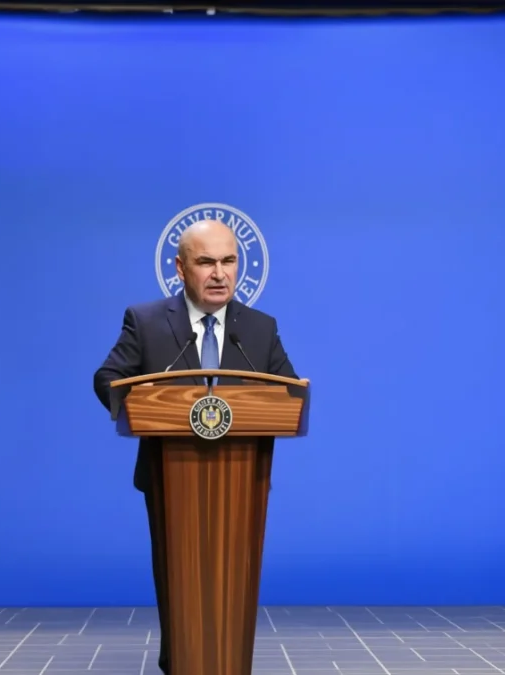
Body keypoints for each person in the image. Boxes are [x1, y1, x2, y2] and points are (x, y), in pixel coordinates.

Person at [92, 219, 298, 674]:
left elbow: (289, 394)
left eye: (229, 261)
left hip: (241, 482)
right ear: (181, 268)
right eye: (206, 262)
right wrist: (139, 401)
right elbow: (108, 378)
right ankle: (178, 661)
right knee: (178, 574)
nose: (220, 273)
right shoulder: (145, 321)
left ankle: (231, 661)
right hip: (170, 478)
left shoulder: (259, 328)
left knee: (232, 576)